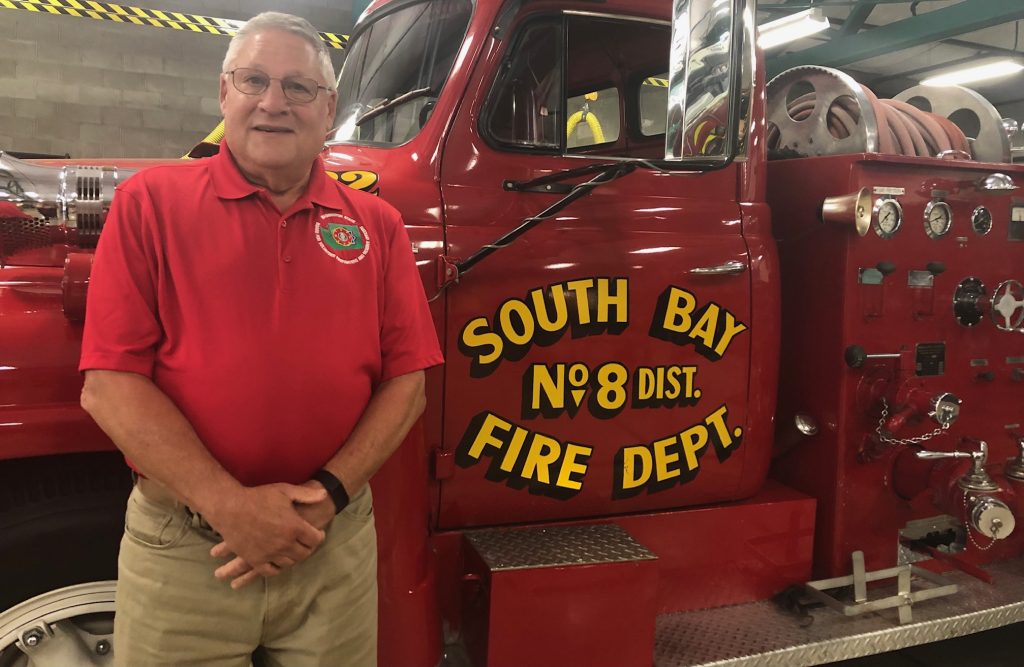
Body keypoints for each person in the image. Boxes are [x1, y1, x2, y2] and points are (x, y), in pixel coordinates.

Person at [79, 11, 443, 667]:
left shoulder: (377, 225)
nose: (274, 102)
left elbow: (407, 382)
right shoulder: (148, 205)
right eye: (254, 80)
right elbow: (108, 385)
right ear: (225, 95)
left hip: (331, 542)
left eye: (298, 88)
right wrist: (228, 506)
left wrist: (328, 494)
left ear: (328, 108)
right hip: (191, 549)